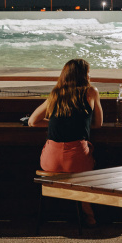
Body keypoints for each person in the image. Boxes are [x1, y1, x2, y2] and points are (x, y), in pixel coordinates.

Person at [28, 58, 103, 225]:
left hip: (50, 161)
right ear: (84, 75)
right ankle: (89, 214)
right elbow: (98, 124)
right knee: (85, 172)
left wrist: (55, 123)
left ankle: (58, 213)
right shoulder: (91, 92)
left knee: (76, 169)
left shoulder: (56, 94)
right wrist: (79, 124)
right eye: (88, 72)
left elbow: (32, 121)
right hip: (76, 159)